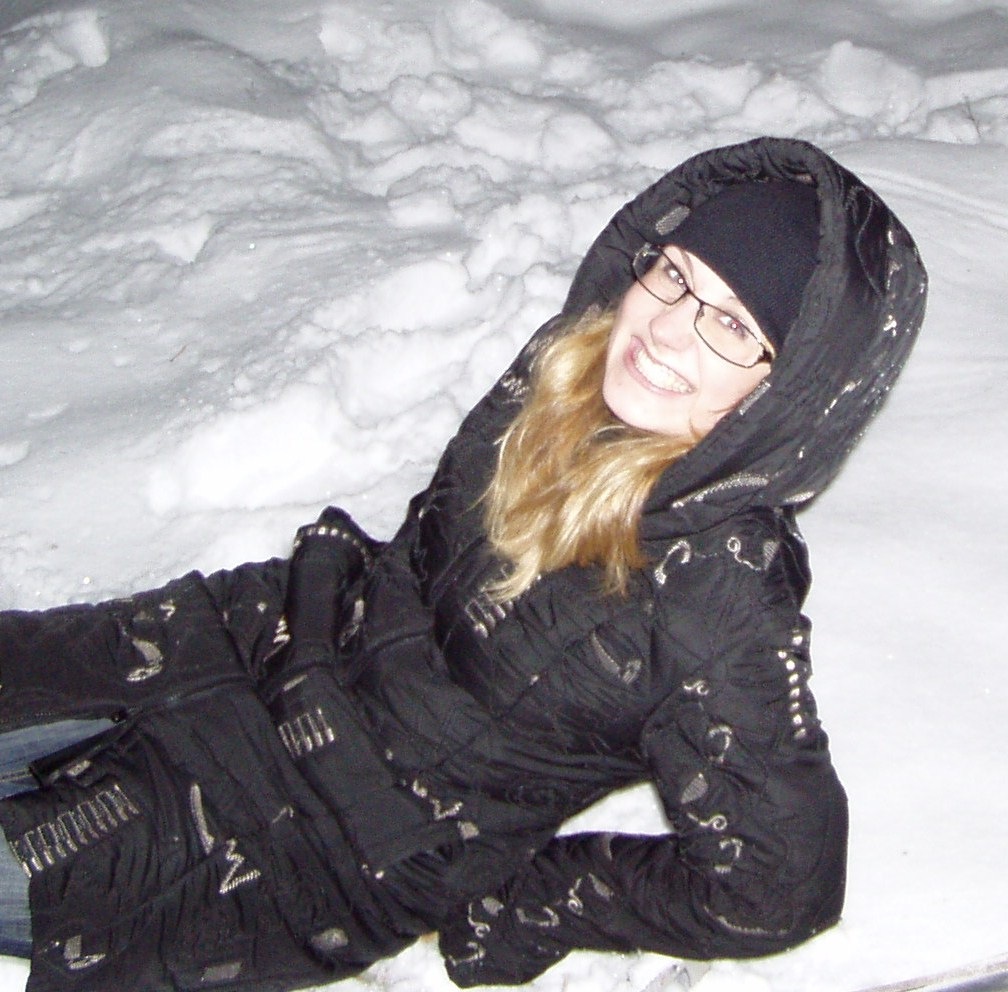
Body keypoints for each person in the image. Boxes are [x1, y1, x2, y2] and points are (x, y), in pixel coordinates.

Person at [0, 135, 926, 992]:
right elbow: (423, 554)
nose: (669, 329)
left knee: (51, 868)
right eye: (677, 275)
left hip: (305, 844)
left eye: (733, 326)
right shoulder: (567, 371)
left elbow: (782, 886)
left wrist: (538, 902)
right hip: (266, 640)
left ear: (785, 390)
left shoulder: (716, 599)